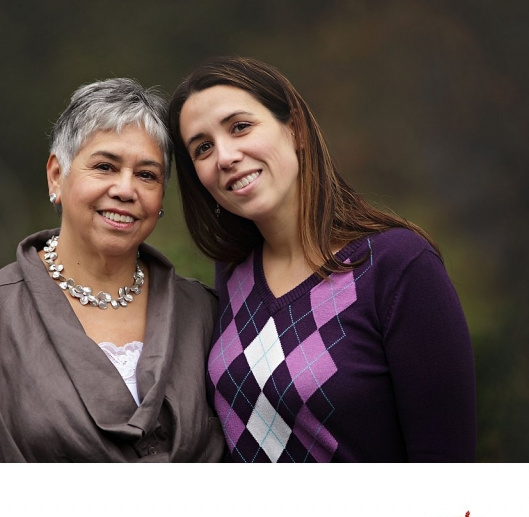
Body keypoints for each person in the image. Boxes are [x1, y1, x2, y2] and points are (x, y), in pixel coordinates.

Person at [0, 77, 226, 462]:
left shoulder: (204, 312)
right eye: (104, 166)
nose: (125, 189)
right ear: (56, 175)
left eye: (147, 175)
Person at [168, 55, 477, 462]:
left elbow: (446, 464)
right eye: (203, 148)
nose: (225, 156)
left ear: (294, 128)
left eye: (240, 127)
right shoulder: (234, 275)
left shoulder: (397, 265)